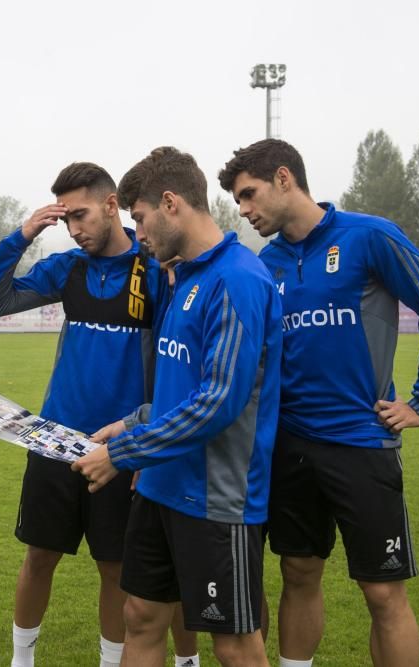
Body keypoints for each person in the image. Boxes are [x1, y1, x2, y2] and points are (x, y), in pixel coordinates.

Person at [217, 139, 419, 667]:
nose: (244, 211)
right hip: (291, 445)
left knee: (382, 593)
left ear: (284, 178)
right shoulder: (269, 261)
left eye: (248, 195)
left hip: (361, 442)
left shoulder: (369, 236)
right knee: (298, 573)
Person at [74, 146, 281, 667]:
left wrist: (124, 453)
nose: (136, 234)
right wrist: (128, 423)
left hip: (215, 499)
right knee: (141, 617)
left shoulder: (238, 279)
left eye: (139, 219)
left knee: (233, 643)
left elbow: (217, 403)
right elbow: (179, 390)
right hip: (160, 487)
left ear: (170, 204)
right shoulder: (182, 275)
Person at [0, 162, 174, 667]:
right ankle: (22, 661)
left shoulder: (153, 269)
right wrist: (22, 236)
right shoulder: (68, 268)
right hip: (52, 439)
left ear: (112, 205)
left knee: (115, 567)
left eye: (81, 215)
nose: (74, 229)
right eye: (66, 220)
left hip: (119, 447)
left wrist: (148, 441)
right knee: (39, 556)